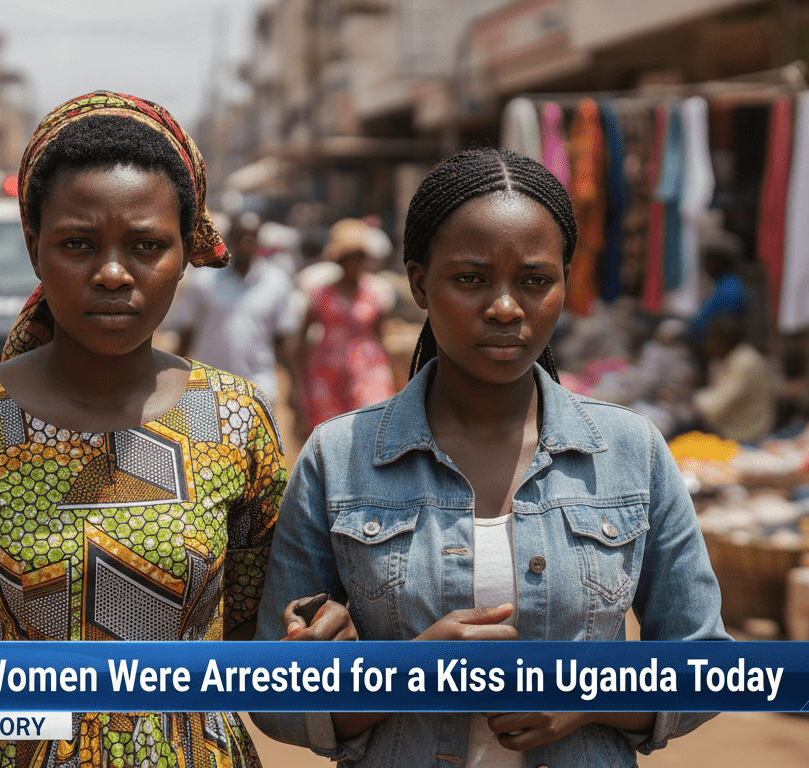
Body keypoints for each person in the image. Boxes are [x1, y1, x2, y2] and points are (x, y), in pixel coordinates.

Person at [252, 148, 728, 768]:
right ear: (420, 283)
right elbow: (273, 694)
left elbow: (708, 666)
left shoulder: (630, 453)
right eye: (471, 279)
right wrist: (405, 674)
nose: (505, 308)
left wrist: (588, 700)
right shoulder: (339, 459)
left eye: (534, 281)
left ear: (563, 283)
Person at [0, 91, 282, 768]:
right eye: (78, 244)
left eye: (146, 245)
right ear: (34, 248)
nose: (113, 273)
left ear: (184, 251)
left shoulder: (234, 422)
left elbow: (263, 660)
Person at [169, 210, 300, 404]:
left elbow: (284, 340)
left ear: (258, 240)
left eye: (251, 236)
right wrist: (173, 381)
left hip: (259, 389)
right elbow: (187, 334)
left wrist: (295, 385)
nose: (245, 242)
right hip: (211, 389)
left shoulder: (276, 282)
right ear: (229, 238)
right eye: (240, 236)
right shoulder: (204, 281)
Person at [298, 218, 396, 431]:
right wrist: (298, 384)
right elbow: (302, 339)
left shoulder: (376, 293)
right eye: (350, 258)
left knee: (372, 426)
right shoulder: (320, 295)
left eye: (359, 257)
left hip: (367, 370)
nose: (356, 263)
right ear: (340, 260)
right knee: (331, 433)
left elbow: (381, 335)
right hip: (327, 374)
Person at [693, 313, 774, 444]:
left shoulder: (745, 362)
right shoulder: (726, 359)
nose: (709, 344)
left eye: (712, 339)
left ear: (723, 339)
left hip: (747, 439)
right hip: (731, 435)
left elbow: (713, 408)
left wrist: (693, 396)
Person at [688, 229, 746, 346]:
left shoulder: (730, 290)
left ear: (720, 261)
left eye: (709, 260)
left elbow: (720, 331)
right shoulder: (722, 285)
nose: (705, 265)